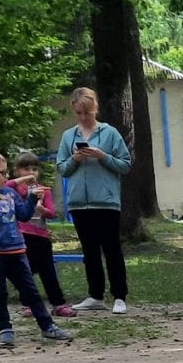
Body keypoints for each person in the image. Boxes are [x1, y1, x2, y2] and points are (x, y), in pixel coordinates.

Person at [0, 149, 72, 348]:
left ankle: (47, 326)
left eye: (6, 172)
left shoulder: (10, 193)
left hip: (17, 252)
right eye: (2, 173)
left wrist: (31, 199)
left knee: (30, 291)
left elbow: (23, 215)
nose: (7, 177)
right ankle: (5, 329)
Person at [55, 85, 131, 313]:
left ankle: (119, 296)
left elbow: (125, 164)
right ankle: (95, 295)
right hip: (79, 202)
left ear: (94, 108)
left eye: (87, 112)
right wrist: (75, 159)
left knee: (111, 249)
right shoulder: (69, 136)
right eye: (79, 113)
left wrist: (103, 156)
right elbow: (62, 168)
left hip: (106, 201)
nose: (83, 117)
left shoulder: (109, 133)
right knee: (89, 251)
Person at [10, 152, 75, 319]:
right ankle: (28, 304)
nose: (31, 172)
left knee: (48, 272)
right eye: (26, 169)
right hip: (23, 235)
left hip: (41, 236)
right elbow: (6, 186)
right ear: (17, 171)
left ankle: (58, 303)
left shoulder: (44, 190)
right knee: (26, 272)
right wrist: (22, 183)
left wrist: (42, 209)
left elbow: (52, 213)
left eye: (34, 168)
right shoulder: (15, 190)